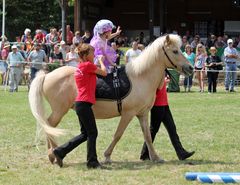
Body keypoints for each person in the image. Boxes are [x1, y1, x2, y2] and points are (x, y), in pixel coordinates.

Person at [52, 44, 107, 169]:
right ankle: (92, 162)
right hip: (84, 104)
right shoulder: (88, 65)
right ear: (86, 55)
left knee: (85, 134)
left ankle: (60, 151)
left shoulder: (81, 66)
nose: (94, 55)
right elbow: (104, 73)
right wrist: (100, 61)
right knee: (92, 132)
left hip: (80, 104)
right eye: (92, 53)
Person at [140, 78, 195, 161]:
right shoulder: (155, 76)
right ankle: (144, 154)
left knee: (172, 129)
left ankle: (181, 153)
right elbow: (156, 88)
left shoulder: (160, 74)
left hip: (165, 105)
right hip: (157, 106)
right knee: (153, 130)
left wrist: (165, 80)